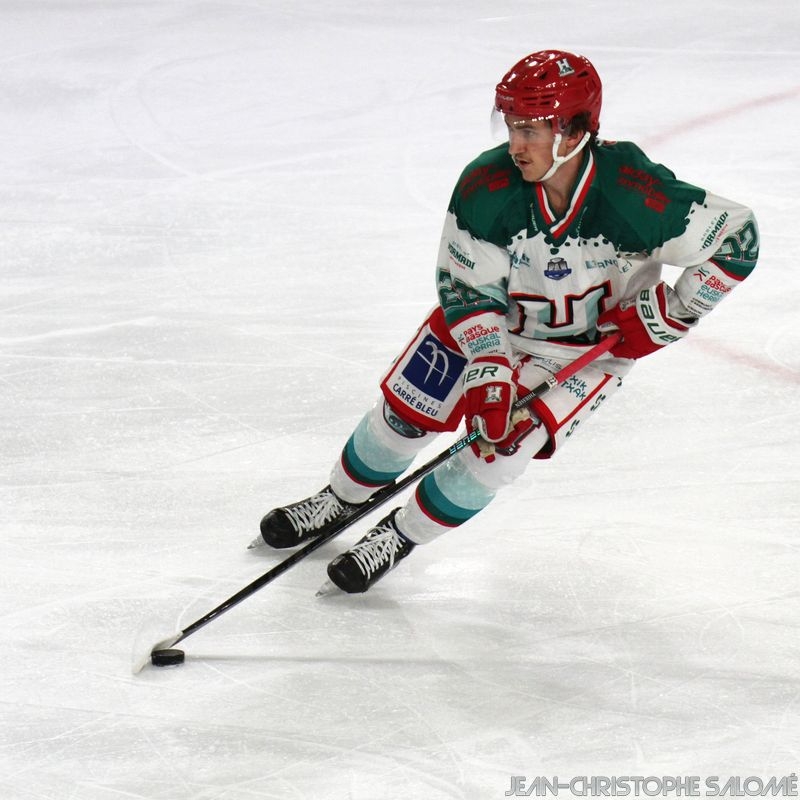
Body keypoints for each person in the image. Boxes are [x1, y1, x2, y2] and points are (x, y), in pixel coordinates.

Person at [250, 50, 759, 594]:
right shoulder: (486, 185)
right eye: (513, 126)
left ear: (576, 130)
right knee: (405, 415)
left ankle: (399, 535)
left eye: (532, 130)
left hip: (582, 353)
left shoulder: (636, 194)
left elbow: (738, 239)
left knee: (498, 454)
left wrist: (668, 315)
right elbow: (466, 289)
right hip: (489, 326)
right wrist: (490, 365)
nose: (516, 145)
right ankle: (337, 500)